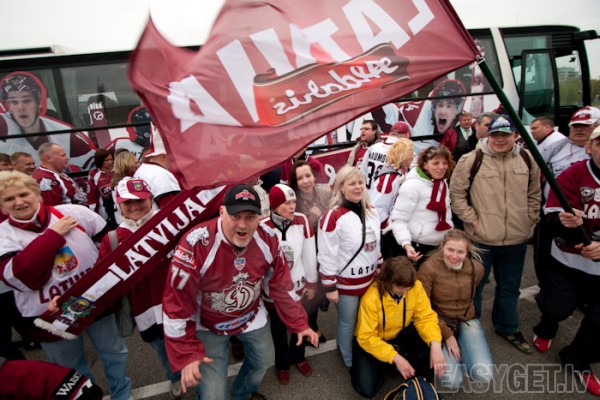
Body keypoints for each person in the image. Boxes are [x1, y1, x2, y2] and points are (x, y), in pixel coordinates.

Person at [162, 184, 318, 400]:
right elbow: (176, 304)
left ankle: (242, 393)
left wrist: (299, 322)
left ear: (259, 217)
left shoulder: (267, 237)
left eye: (250, 217)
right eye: (236, 216)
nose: (243, 225)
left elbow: (281, 285)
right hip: (208, 325)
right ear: (222, 212)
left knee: (265, 360)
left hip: (250, 316)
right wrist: (186, 352)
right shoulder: (196, 243)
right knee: (212, 395)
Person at [0, 171, 131, 400]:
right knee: (69, 366)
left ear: (37, 194)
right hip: (47, 315)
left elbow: (110, 247)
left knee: (115, 352)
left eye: (23, 194)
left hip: (94, 301)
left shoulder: (75, 213)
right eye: (9, 199)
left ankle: (123, 394)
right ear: (1, 206)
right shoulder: (4, 236)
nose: (19, 202)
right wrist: (52, 236)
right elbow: (23, 277)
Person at [450, 115, 541, 354]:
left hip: (516, 240)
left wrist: (530, 217)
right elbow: (456, 195)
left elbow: (535, 191)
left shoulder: (527, 158)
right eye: (495, 135)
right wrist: (472, 220)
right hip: (481, 240)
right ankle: (471, 329)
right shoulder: (472, 159)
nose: (500, 140)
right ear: (488, 135)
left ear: (515, 136)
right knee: (474, 287)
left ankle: (507, 326)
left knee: (510, 287)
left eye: (505, 135)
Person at [98, 177, 182, 399]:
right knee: (165, 354)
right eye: (128, 202)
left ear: (151, 199)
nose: (135, 206)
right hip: (146, 313)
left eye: (140, 200)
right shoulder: (112, 240)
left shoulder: (171, 224)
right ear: (119, 205)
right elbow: (104, 282)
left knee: (191, 350)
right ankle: (175, 378)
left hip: (181, 306)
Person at [531, 126, 600, 397]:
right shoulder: (573, 173)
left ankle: (577, 358)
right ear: (590, 147)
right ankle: (546, 327)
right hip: (568, 261)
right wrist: (565, 223)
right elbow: (551, 216)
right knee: (555, 307)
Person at [352, 256, 445, 398]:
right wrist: (395, 357)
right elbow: (366, 337)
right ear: (387, 281)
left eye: (408, 287)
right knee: (367, 389)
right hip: (373, 340)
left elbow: (425, 317)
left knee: (433, 353)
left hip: (401, 333)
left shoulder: (415, 286)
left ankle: (396, 361)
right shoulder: (371, 298)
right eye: (401, 288)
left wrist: (436, 345)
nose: (406, 292)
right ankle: (386, 363)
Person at [318, 165, 381, 368]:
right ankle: (347, 357)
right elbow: (326, 254)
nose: (358, 187)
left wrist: (379, 264)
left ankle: (364, 351)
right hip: (346, 284)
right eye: (352, 183)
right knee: (348, 321)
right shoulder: (332, 216)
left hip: (370, 279)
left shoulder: (371, 211)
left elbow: (375, 243)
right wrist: (330, 286)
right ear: (341, 187)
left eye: (360, 182)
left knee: (368, 319)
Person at [417, 229, 493, 390]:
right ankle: (455, 350)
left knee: (484, 375)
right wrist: (447, 335)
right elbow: (423, 309)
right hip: (439, 322)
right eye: (450, 250)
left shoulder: (477, 268)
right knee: (451, 382)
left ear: (467, 252)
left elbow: (475, 289)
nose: (454, 256)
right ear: (442, 247)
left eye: (460, 252)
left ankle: (463, 347)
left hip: (467, 320)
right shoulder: (428, 268)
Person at [261, 184, 318, 384]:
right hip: (274, 292)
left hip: (299, 287)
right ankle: (282, 364)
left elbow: (309, 254)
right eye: (287, 203)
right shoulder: (262, 226)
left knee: (300, 323)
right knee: (278, 330)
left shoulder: (302, 221)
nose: (293, 206)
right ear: (275, 205)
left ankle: (299, 357)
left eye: (294, 202)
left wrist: (312, 283)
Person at [0, 72, 96, 170]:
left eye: (27, 101)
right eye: (14, 102)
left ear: (39, 103)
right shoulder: (3, 124)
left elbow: (94, 167)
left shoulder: (66, 135)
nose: (21, 107)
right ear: (9, 106)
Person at [390, 146, 454, 268]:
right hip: (417, 247)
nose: (441, 167)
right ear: (425, 165)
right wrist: (406, 244)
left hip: (439, 246)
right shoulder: (412, 186)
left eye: (445, 163)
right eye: (435, 163)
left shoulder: (442, 183)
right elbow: (399, 219)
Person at [369, 138, 414, 260]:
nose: (413, 157)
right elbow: (377, 207)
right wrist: (389, 225)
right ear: (404, 155)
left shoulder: (399, 174)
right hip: (384, 232)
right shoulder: (389, 178)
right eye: (411, 153)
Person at [133, 124, 181, 208]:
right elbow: (172, 208)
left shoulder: (142, 170)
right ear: (163, 157)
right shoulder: (162, 175)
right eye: (172, 157)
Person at [360, 121, 411, 189]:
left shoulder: (373, 148)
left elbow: (362, 174)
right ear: (407, 135)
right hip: (387, 193)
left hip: (368, 192)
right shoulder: (405, 152)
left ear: (390, 133)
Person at [289, 160, 332, 231]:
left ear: (314, 177)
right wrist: (311, 220)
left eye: (308, 176)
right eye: (299, 178)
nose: (305, 181)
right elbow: (297, 233)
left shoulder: (327, 192)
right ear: (295, 182)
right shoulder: (292, 203)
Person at [87, 149, 117, 229]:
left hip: (118, 205)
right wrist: (93, 210)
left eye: (111, 159)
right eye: (107, 160)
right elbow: (91, 194)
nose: (110, 162)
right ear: (100, 161)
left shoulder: (117, 170)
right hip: (104, 208)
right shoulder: (94, 174)